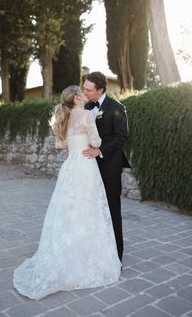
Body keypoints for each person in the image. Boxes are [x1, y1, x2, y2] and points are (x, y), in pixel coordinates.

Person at [13, 85, 121, 300]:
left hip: (70, 169)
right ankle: (85, 259)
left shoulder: (64, 117)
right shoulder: (86, 115)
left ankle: (68, 257)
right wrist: (95, 138)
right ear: (79, 97)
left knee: (70, 214)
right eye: (83, 92)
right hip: (85, 167)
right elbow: (97, 142)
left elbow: (62, 144)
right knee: (88, 211)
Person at [83, 72, 130, 262]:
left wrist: (99, 150)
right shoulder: (85, 107)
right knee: (93, 209)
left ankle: (116, 257)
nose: (85, 92)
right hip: (90, 168)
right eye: (84, 88)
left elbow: (122, 136)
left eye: (89, 90)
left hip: (110, 166)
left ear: (100, 90)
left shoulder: (116, 107)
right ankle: (97, 251)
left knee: (112, 209)